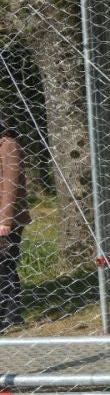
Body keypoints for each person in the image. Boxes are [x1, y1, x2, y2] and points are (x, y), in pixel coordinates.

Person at [0, 121, 28, 334]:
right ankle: (10, 313)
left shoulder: (9, 145)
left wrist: (6, 220)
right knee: (5, 265)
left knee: (6, 264)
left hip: (6, 220)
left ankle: (9, 314)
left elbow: (11, 184)